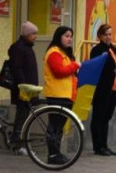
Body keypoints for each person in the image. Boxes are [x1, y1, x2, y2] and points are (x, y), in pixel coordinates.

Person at [43, 26, 80, 165]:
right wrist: (76, 65)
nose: (69, 39)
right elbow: (59, 71)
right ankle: (52, 155)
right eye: (66, 36)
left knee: (59, 127)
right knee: (54, 126)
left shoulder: (65, 53)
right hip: (56, 94)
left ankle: (56, 153)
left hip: (66, 95)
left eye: (71, 36)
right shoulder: (54, 53)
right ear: (59, 37)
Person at [90, 24, 116, 156]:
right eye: (106, 34)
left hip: (114, 88)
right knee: (99, 117)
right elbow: (97, 69)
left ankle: (104, 145)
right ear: (100, 36)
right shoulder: (97, 50)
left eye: (110, 34)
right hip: (102, 89)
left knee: (106, 117)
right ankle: (98, 146)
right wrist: (112, 71)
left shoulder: (114, 50)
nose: (109, 37)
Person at [7, 21, 39, 154]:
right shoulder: (19, 48)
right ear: (26, 34)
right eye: (33, 34)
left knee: (24, 116)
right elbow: (17, 69)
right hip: (23, 89)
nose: (35, 36)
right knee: (22, 116)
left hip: (28, 88)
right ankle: (18, 145)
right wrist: (23, 87)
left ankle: (18, 142)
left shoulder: (26, 46)